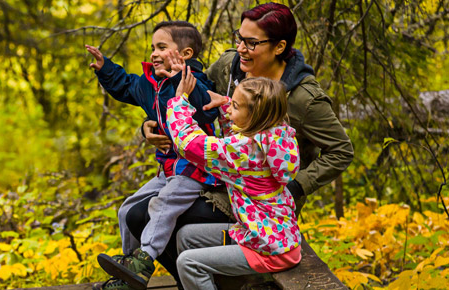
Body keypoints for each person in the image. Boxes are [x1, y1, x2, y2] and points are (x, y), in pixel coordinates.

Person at [131, 2, 355, 287]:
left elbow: (341, 151)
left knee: (150, 217)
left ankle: (225, 280)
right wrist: (152, 125)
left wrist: (296, 186)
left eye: (251, 43)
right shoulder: (229, 68)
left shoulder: (303, 98)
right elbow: (198, 96)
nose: (241, 48)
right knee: (140, 214)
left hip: (260, 201)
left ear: (279, 46)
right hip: (216, 174)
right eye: (239, 38)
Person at [85, 21, 222, 290]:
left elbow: (207, 110)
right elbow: (126, 86)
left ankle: (143, 260)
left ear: (185, 55)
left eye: (162, 47)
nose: (154, 54)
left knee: (161, 207)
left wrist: (178, 78)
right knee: (127, 209)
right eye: (152, 48)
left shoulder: (194, 83)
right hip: (169, 168)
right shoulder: (151, 84)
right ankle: (127, 269)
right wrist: (106, 69)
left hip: (196, 169)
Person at [169, 70, 301, 290]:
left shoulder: (245, 152)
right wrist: (225, 104)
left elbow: (188, 144)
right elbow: (237, 137)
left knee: (188, 262)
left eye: (236, 107)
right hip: (271, 234)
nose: (230, 109)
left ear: (255, 116)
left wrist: (179, 102)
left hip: (270, 250)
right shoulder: (274, 134)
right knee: (187, 236)